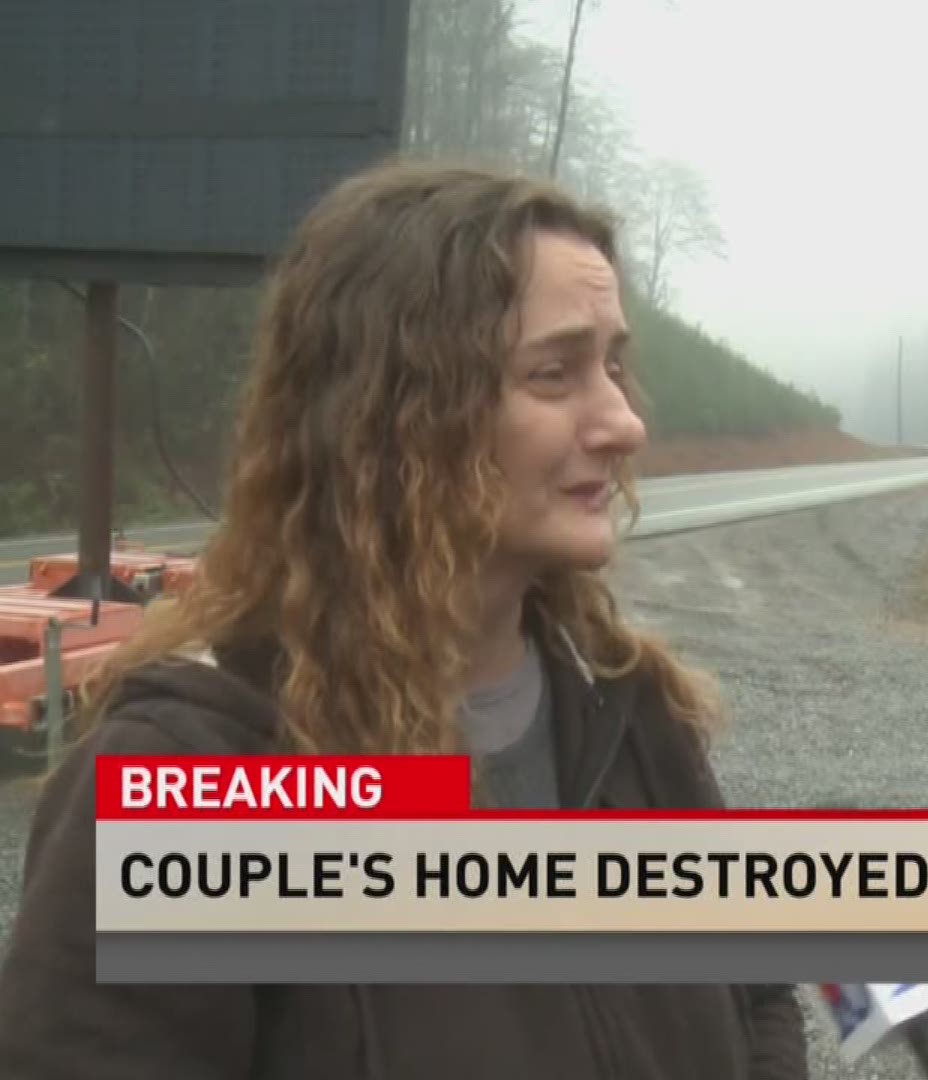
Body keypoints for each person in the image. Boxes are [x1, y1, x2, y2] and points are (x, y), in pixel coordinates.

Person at [0, 161, 810, 1078]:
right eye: (556, 373)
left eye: (615, 366)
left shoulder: (631, 714)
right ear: (397, 419)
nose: (623, 421)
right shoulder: (189, 779)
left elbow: (757, 994)